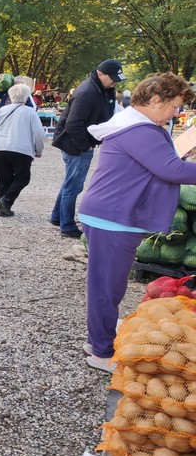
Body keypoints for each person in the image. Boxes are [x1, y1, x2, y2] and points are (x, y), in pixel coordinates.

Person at [77, 72, 196, 372]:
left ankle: (98, 339)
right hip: (113, 217)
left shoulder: (136, 125)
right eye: (173, 106)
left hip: (113, 215)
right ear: (156, 100)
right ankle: (101, 351)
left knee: (106, 285)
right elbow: (170, 169)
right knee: (107, 287)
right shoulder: (140, 130)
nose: (176, 113)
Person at [50, 59, 124, 238]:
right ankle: (67, 226)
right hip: (75, 144)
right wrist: (86, 146)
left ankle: (57, 217)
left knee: (70, 182)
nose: (115, 82)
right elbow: (73, 123)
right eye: (113, 78)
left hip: (77, 142)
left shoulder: (103, 88)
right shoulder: (88, 92)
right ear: (100, 74)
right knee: (73, 186)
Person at [0, 83, 45, 218]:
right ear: (27, 97)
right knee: (23, 177)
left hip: (0, 148)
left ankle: (2, 208)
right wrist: (38, 149)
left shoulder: (2, 110)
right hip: (22, 150)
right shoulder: (30, 112)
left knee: (3, 179)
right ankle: (7, 200)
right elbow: (39, 133)